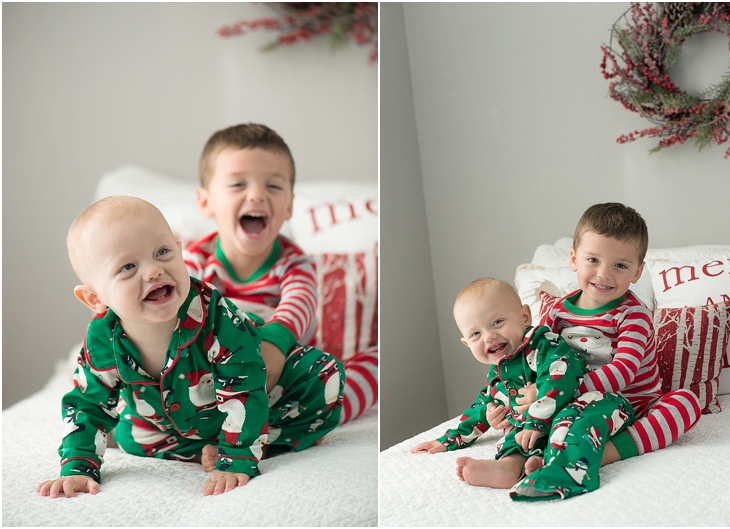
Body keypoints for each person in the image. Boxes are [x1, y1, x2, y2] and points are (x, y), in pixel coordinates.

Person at [36, 197, 343, 499]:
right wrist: (78, 468)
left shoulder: (214, 314)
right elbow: (88, 404)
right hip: (166, 424)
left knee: (325, 376)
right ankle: (203, 449)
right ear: (95, 299)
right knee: (131, 436)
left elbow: (245, 389)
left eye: (163, 252)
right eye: (128, 266)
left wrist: (235, 459)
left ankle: (241, 442)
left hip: (252, 393)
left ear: (181, 252)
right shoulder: (103, 339)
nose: (154, 270)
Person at [184, 123, 377, 425]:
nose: (257, 195)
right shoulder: (194, 260)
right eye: (237, 185)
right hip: (214, 384)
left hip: (283, 380)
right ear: (205, 201)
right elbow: (179, 307)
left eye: (273, 186)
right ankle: (222, 427)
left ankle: (291, 420)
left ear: (289, 205)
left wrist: (275, 342)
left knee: (376, 362)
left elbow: (298, 304)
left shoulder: (295, 262)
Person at [512, 202, 701, 501]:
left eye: (620, 265)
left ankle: (600, 456)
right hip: (576, 402)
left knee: (686, 403)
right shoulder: (558, 313)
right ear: (573, 259)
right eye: (593, 260)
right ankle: (540, 454)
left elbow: (623, 370)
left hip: (634, 404)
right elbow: (537, 358)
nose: (604, 274)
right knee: (543, 413)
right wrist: (519, 397)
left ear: (637, 272)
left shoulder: (633, 315)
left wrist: (558, 392)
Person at [410, 278, 593, 490]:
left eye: (497, 322)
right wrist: (448, 440)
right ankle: (509, 467)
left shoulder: (544, 343)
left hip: (567, 411)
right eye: (476, 334)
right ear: (467, 343)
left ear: (525, 317)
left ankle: (552, 462)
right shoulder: (498, 373)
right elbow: (481, 407)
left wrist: (537, 407)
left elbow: (560, 373)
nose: (489, 336)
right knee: (516, 435)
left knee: (568, 427)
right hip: (530, 429)